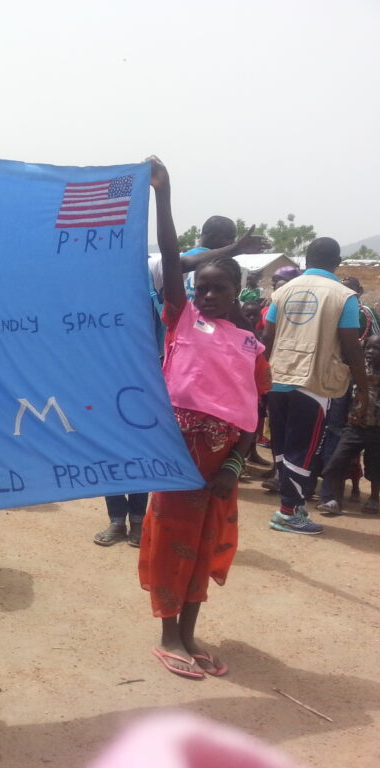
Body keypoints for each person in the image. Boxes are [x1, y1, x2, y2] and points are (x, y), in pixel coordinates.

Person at [139, 157, 271, 680]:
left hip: (221, 466)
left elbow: (252, 412)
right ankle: (169, 635)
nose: (208, 294)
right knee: (173, 543)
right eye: (203, 288)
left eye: (219, 288)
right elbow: (172, 257)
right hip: (177, 456)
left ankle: (190, 633)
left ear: (236, 291)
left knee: (204, 546)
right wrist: (163, 195)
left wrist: (236, 466)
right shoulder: (182, 321)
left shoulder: (250, 345)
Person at [263, 237, 369, 534]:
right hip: (313, 382)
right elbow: (351, 346)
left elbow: (267, 338)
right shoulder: (343, 295)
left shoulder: (282, 292)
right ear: (337, 263)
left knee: (283, 447)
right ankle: (288, 513)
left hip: (278, 377)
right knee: (304, 449)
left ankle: (291, 505)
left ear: (306, 261)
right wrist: (362, 387)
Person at [318, 335, 380, 516]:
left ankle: (374, 498)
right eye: (367, 348)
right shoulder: (359, 371)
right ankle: (335, 501)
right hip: (354, 427)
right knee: (338, 462)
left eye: (376, 349)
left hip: (377, 430)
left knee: (375, 466)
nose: (370, 352)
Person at [340, 276, 380, 342]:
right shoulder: (336, 311)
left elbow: (377, 337)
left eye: (349, 290)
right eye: (341, 290)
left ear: (360, 291)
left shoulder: (367, 312)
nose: (345, 294)